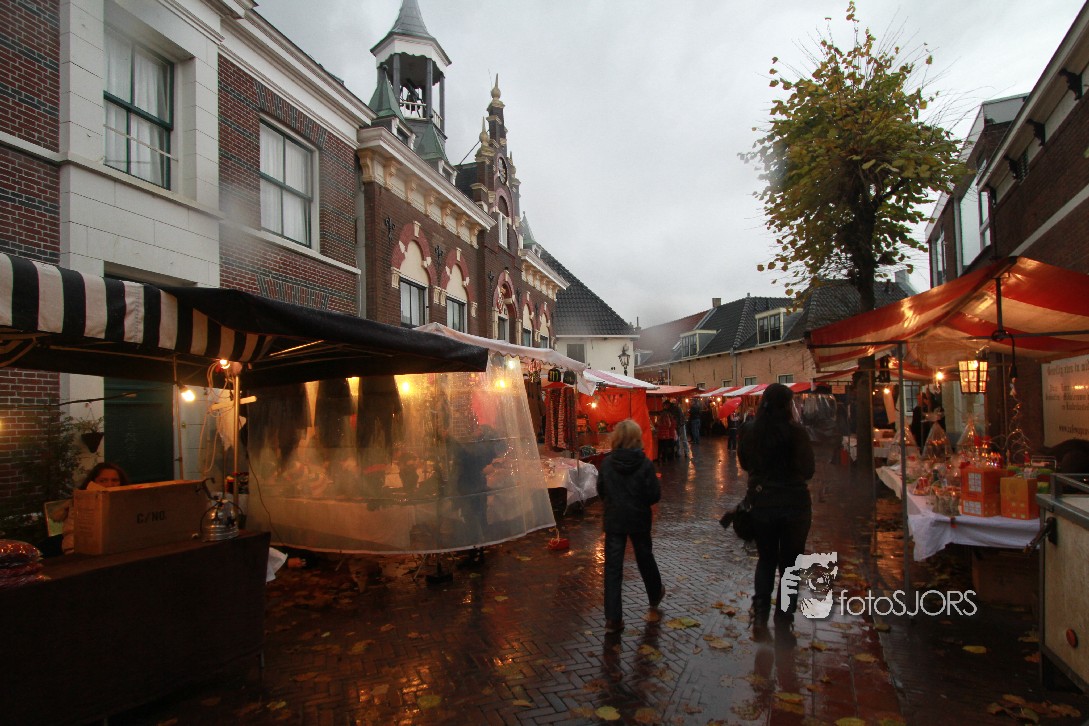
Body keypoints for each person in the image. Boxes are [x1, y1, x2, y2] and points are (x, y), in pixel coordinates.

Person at [737, 384, 815, 647]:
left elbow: (745, 463)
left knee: (766, 560)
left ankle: (760, 617)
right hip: (795, 506)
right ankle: (783, 623)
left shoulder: (749, 431)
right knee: (791, 567)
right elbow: (809, 470)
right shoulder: (797, 433)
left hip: (763, 505)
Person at [599, 419, 665, 634]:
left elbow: (601, 490)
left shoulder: (607, 464)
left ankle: (613, 619)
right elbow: (654, 494)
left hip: (614, 520)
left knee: (613, 568)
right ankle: (655, 593)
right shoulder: (645, 464)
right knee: (645, 558)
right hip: (638, 519)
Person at [55, 462, 131, 555]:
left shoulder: (128, 502)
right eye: (103, 480)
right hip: (87, 556)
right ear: (93, 482)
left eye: (115, 480)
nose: (110, 484)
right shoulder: (81, 504)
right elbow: (71, 534)